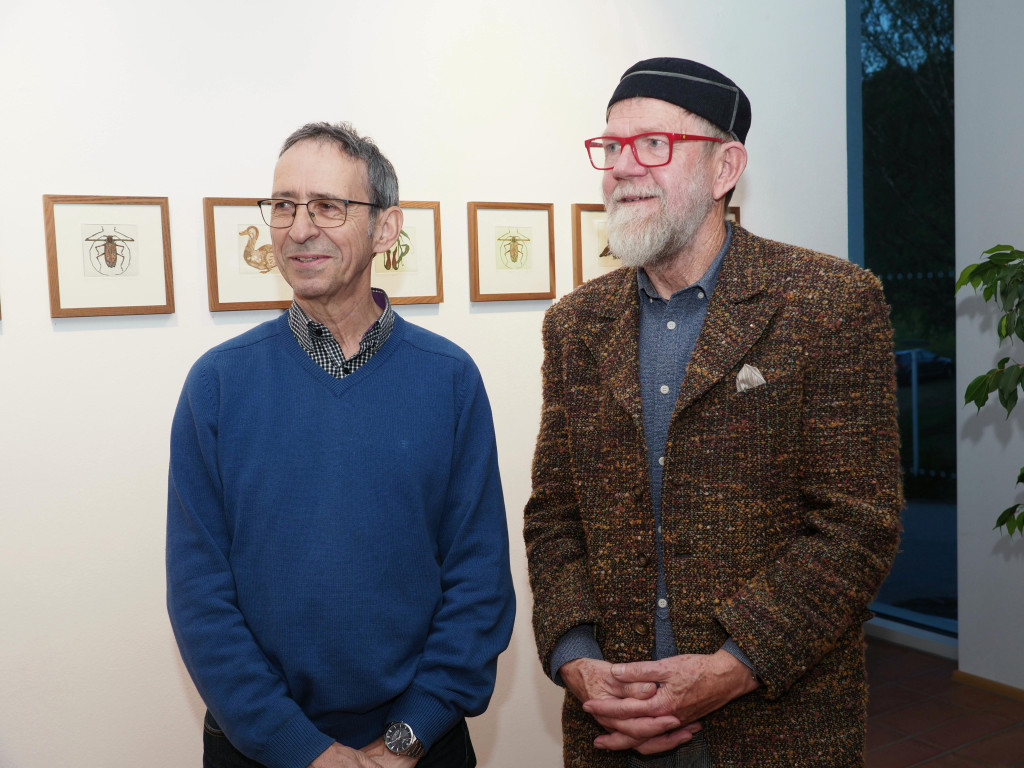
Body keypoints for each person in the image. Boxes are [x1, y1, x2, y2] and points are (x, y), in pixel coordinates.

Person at [524, 58, 902, 768]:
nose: (622, 168)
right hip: (613, 726)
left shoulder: (828, 303)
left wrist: (733, 666)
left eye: (653, 145)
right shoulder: (575, 324)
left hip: (775, 727)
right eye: (612, 147)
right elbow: (555, 515)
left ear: (725, 167)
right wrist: (576, 659)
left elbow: (856, 526)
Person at [167, 121, 515, 768]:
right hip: (259, 749)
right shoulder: (217, 384)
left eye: (328, 206)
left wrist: (407, 736)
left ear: (386, 228)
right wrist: (306, 751)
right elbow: (199, 599)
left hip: (422, 746)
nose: (300, 229)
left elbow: (479, 582)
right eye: (283, 206)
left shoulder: (449, 379)